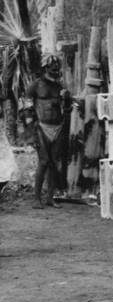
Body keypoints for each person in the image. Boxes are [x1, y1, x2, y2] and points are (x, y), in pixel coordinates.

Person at [26, 55, 72, 208]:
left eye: (57, 68)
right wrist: (31, 131)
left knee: (54, 163)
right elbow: (26, 109)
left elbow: (68, 109)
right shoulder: (35, 86)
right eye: (53, 68)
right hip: (41, 128)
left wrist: (66, 99)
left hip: (58, 127)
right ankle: (36, 199)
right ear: (45, 68)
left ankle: (50, 198)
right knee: (44, 162)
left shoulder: (60, 87)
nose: (56, 71)